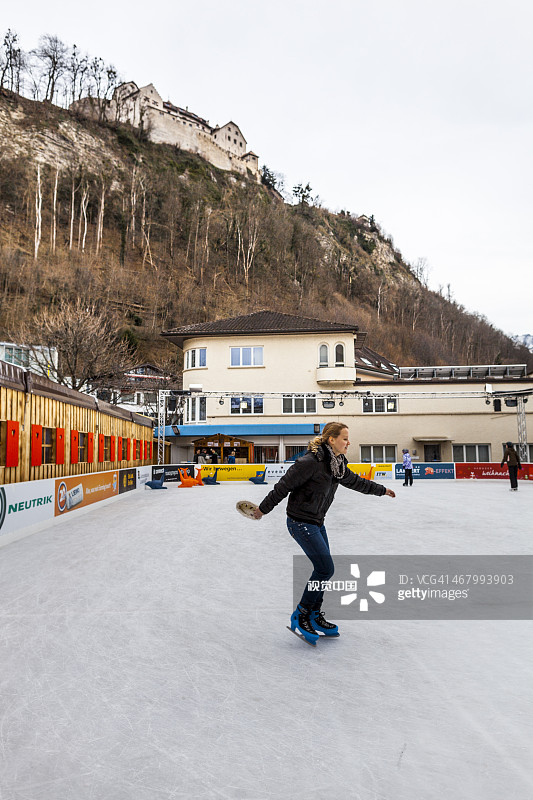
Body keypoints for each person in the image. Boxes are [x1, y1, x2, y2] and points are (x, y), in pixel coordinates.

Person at [252, 422, 395, 644]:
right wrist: (262, 509)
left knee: (325, 570)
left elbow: (356, 482)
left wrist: (381, 490)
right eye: (345, 438)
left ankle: (314, 615)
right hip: (300, 522)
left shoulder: (336, 464)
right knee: (325, 568)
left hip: (317, 522)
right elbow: (282, 487)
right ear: (331, 439)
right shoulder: (309, 462)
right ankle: (301, 614)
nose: (349, 442)